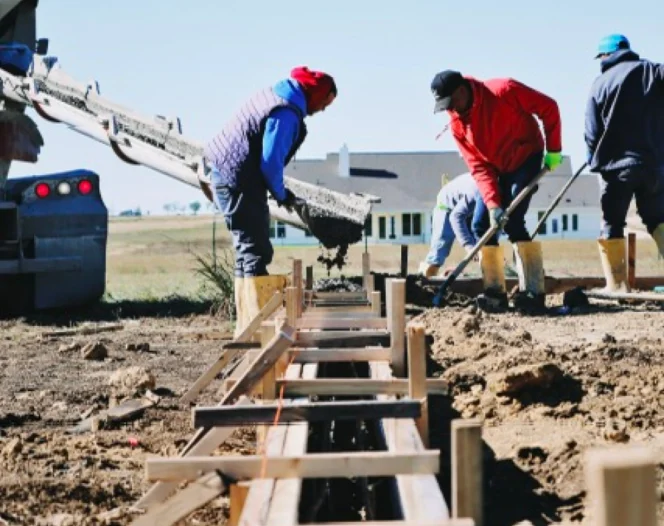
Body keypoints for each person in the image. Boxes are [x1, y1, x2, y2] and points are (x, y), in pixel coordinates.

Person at [204, 66, 337, 334]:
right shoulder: (285, 113)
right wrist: (281, 194)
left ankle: (246, 328)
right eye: (324, 103)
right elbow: (270, 163)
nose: (322, 110)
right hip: (237, 177)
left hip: (226, 171)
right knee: (255, 250)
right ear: (315, 95)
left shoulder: (275, 95)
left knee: (246, 250)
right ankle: (257, 330)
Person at [430, 69, 563, 307]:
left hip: (525, 156)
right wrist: (492, 204)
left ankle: (533, 291)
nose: (451, 110)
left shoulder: (503, 90)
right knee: (481, 225)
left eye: (452, 103)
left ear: (462, 91)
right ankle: (495, 293)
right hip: (494, 169)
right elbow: (478, 167)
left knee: (513, 221)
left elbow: (548, 107)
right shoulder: (458, 125)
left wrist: (554, 149)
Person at [585, 34, 664, 291]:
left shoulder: (600, 84)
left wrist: (593, 160)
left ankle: (617, 286)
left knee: (612, 222)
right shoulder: (653, 71)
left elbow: (591, 131)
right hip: (654, 166)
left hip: (616, 168)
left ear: (606, 55)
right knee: (657, 219)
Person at [418, 172, 481, 277]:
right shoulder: (477, 189)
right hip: (447, 205)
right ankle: (424, 277)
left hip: (469, 208)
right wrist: (469, 247)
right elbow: (455, 217)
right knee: (439, 251)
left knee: (484, 248)